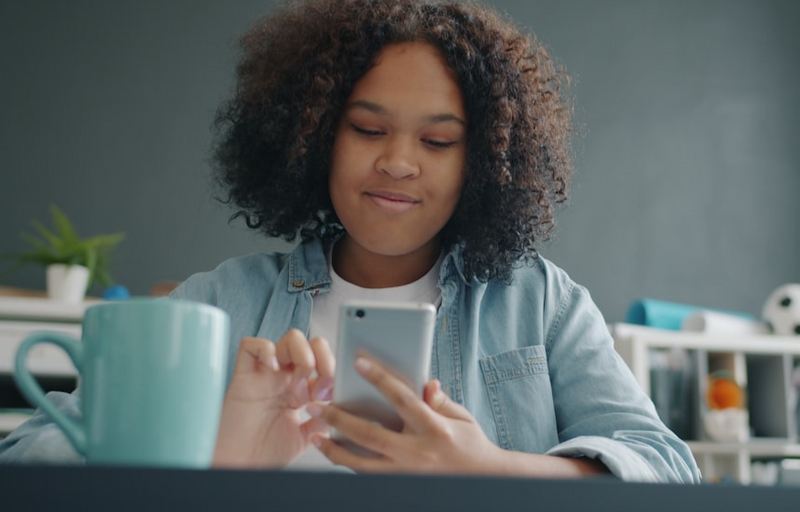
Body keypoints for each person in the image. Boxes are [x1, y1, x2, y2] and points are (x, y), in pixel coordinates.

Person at [0, 0, 700, 483]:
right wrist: (220, 460)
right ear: (313, 139)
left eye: (438, 141)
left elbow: (667, 468)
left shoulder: (541, 303)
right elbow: (27, 457)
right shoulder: (216, 303)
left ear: (482, 162)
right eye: (368, 130)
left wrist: (485, 468)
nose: (398, 162)